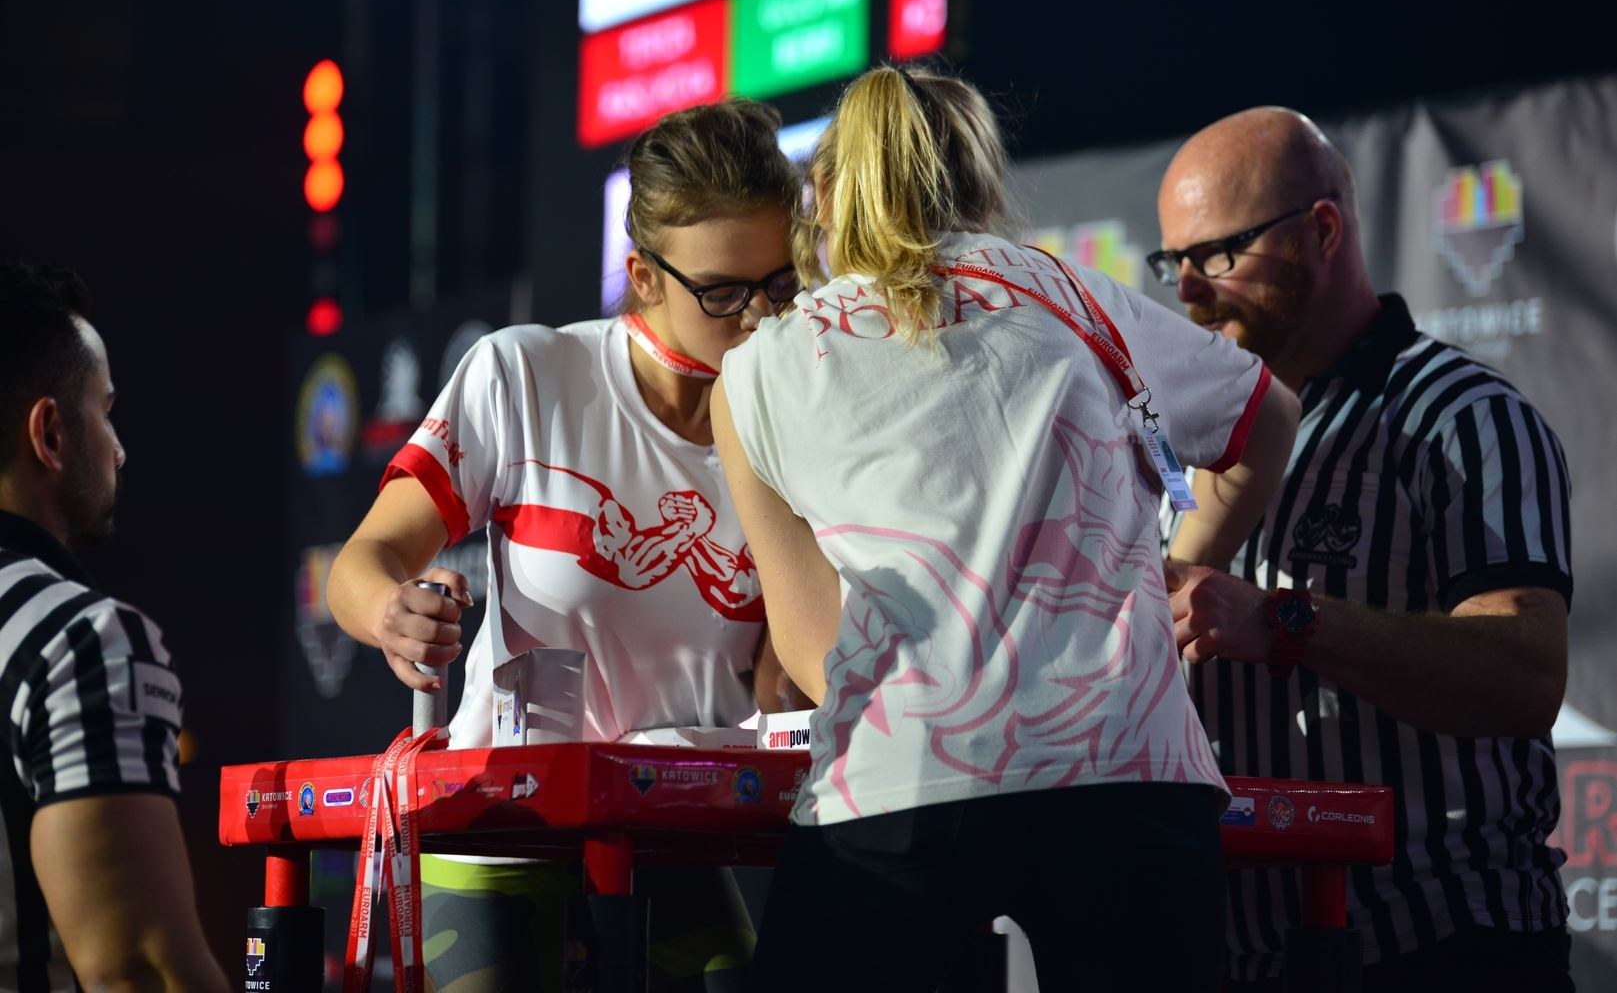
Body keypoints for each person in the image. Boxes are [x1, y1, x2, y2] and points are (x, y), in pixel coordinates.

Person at [712, 65, 1301, 992]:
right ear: (982, 180)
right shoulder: (1072, 295)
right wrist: (1181, 570)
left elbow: (814, 648)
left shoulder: (759, 371)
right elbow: (1267, 420)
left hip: (903, 780)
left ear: (823, 198)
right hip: (1129, 768)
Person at [326, 97, 802, 992]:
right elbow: (365, 559)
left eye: (781, 286)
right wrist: (391, 614)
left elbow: (784, 674)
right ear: (643, 275)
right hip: (501, 824)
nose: (756, 320)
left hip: (679, 830)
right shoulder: (527, 374)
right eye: (723, 293)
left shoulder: (796, 415)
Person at [1151, 107, 1574, 990]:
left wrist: (1283, 621)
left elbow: (1526, 676)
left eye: (1217, 254)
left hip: (1443, 947)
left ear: (1323, 231)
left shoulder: (1461, 416)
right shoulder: (1181, 442)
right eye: (1173, 262)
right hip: (1244, 958)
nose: (1187, 291)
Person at [0, 260, 228, 991]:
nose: (121, 448)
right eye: (105, 410)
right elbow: (144, 970)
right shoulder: (77, 640)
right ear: (50, 434)